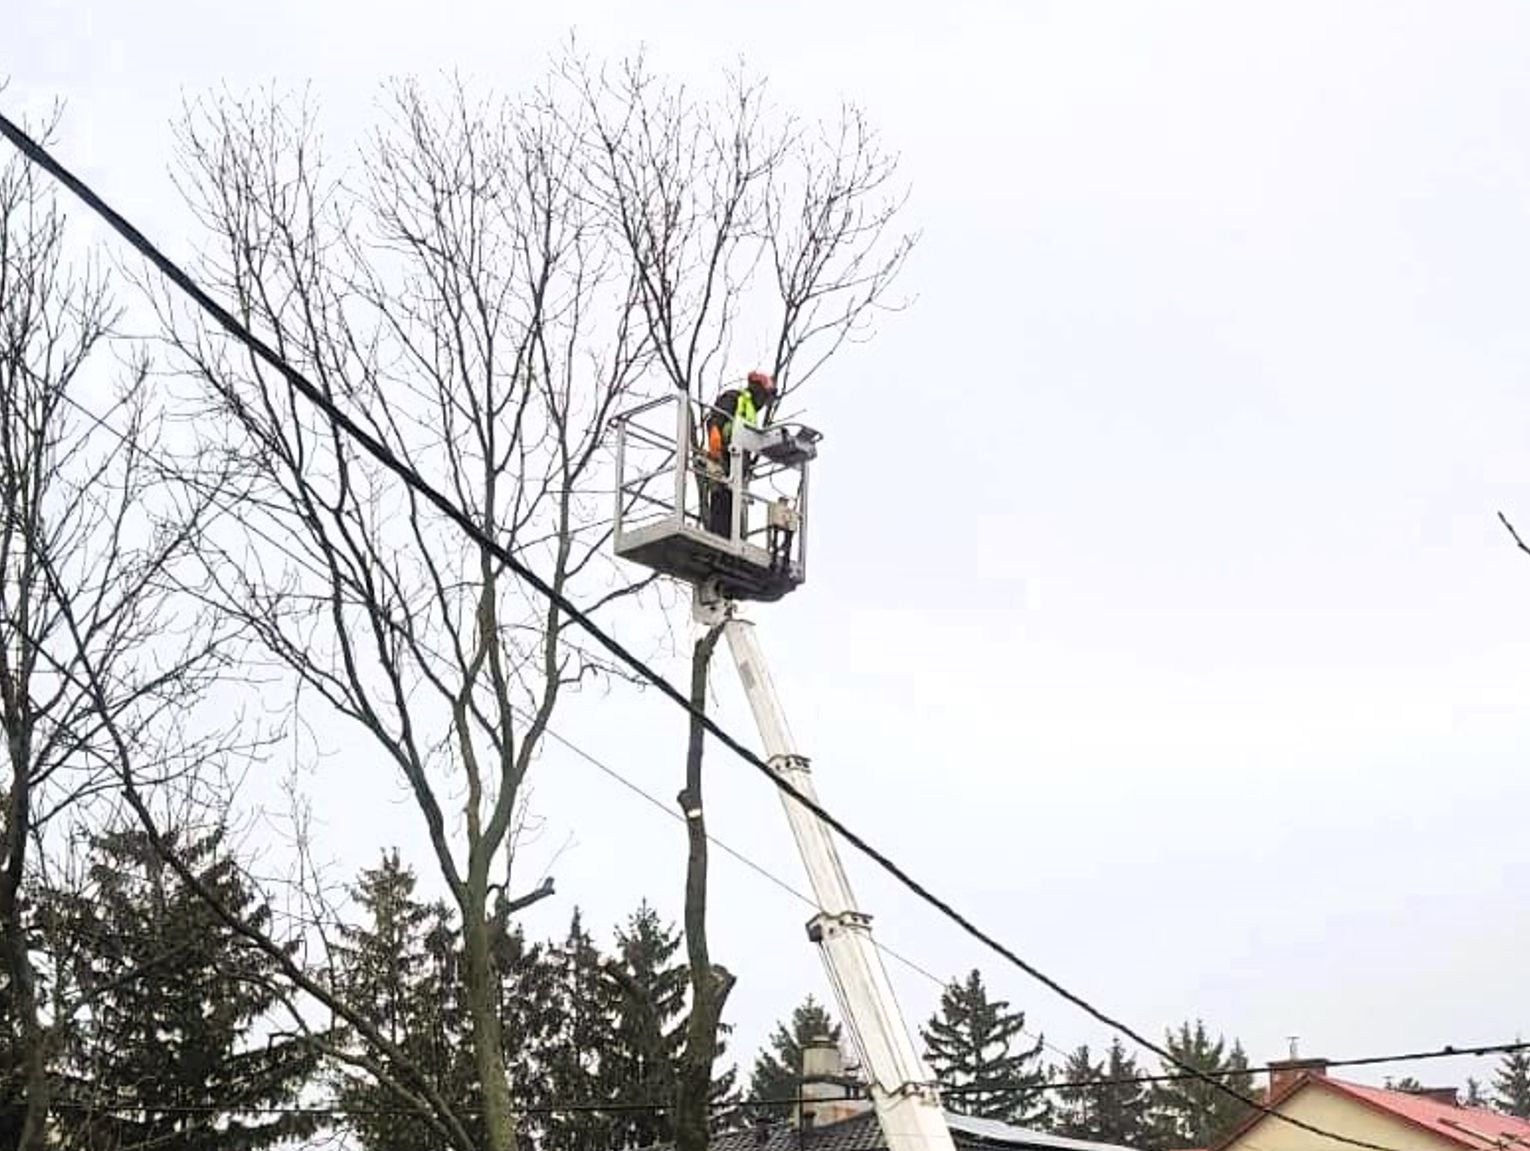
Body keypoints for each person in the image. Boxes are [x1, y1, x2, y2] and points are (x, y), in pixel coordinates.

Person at [702, 371, 775, 538]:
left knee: (733, 513)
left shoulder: (750, 411)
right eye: (764, 397)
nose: (764, 403)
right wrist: (714, 436)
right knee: (722, 506)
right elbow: (716, 418)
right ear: (758, 391)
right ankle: (720, 540)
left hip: (737, 466)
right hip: (725, 458)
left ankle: (727, 540)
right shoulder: (735, 398)